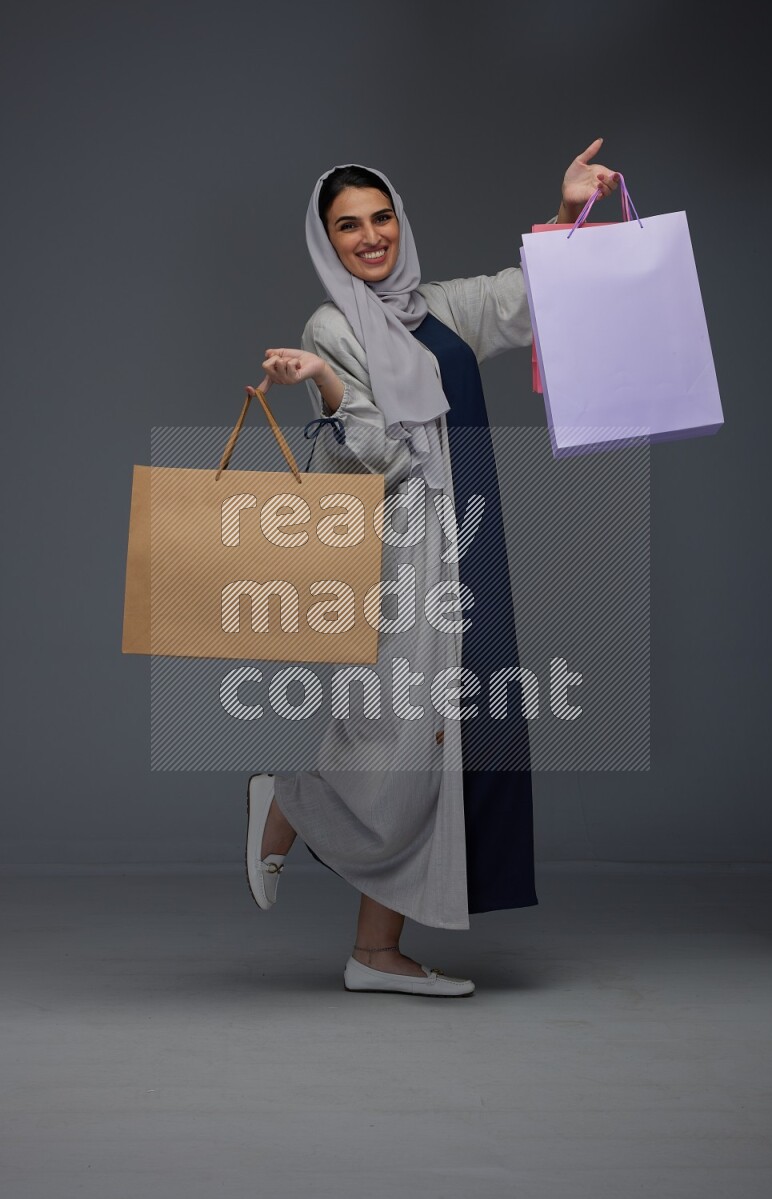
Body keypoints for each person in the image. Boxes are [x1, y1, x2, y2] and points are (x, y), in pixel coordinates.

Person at [244, 140, 620, 997]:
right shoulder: (330, 327)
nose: (370, 238)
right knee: (403, 733)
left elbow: (527, 298)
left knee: (450, 734)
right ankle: (291, 801)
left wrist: (566, 216)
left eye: (381, 218)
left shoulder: (436, 307)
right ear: (327, 241)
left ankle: (375, 950)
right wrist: (328, 387)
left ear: (399, 221)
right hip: (398, 549)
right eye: (349, 227)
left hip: (468, 532)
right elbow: (377, 451)